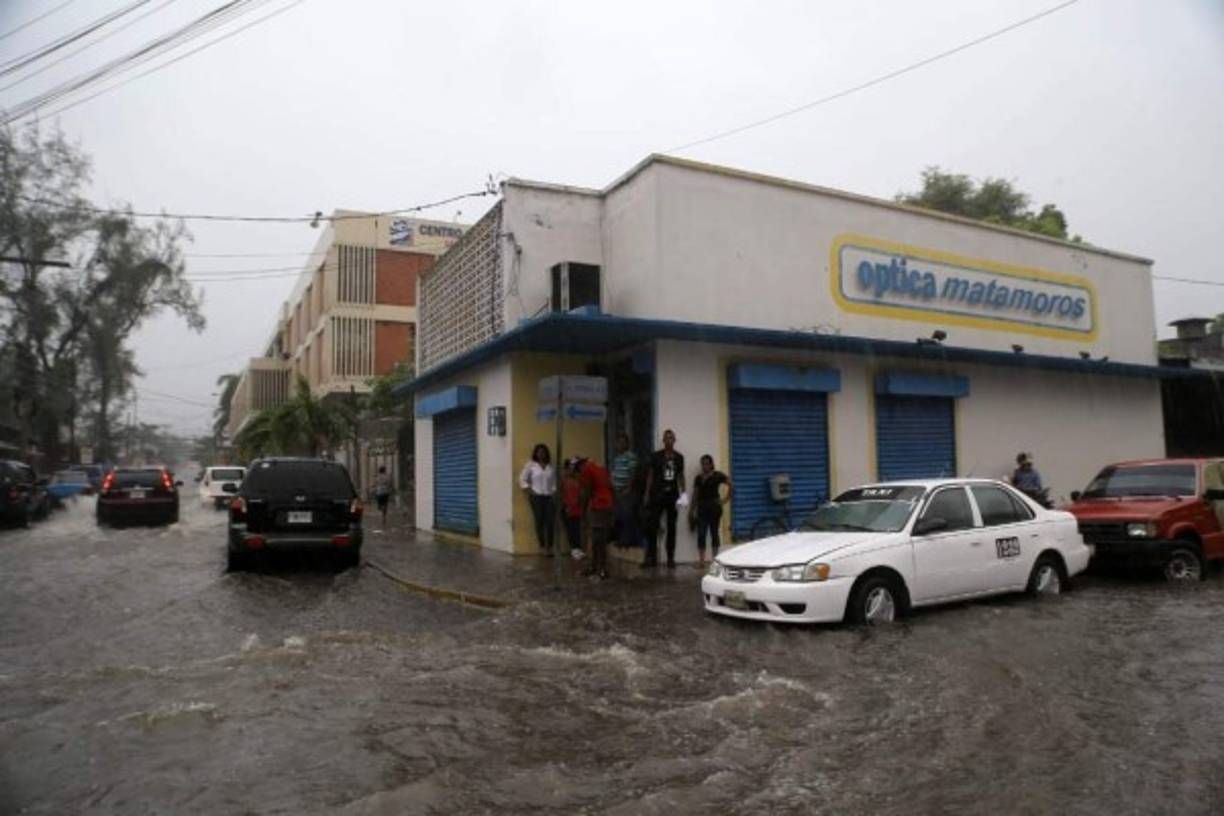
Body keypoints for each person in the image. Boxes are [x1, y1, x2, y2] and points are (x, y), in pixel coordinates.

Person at [644, 429, 685, 569]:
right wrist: (647, 494)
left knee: (671, 527)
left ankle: (670, 558)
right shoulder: (656, 456)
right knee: (652, 526)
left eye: (671, 438)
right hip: (657, 495)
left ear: (674, 440)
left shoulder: (679, 457)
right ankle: (651, 557)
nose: (669, 440)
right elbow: (650, 475)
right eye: (667, 438)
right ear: (663, 440)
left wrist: (683, 494)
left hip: (672, 495)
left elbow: (680, 476)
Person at [575, 456, 615, 580]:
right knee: (599, 538)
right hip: (607, 505)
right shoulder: (601, 469)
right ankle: (595, 566)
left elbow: (586, 491)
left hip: (598, 506)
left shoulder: (586, 470)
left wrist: (582, 512)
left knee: (598, 539)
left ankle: (601, 568)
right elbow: (610, 487)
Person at [691, 454, 732, 566]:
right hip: (702, 507)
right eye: (703, 464)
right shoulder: (698, 478)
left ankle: (715, 560)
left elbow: (731, 485)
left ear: (711, 464)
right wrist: (691, 511)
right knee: (701, 533)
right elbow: (695, 495)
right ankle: (702, 561)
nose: (705, 466)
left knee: (714, 533)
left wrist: (725, 500)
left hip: (714, 507)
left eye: (707, 463)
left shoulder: (717, 475)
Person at [519, 443, 556, 556]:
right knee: (539, 522)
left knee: (550, 522)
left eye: (543, 452)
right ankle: (542, 547)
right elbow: (522, 480)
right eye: (539, 451)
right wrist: (531, 491)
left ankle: (549, 547)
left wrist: (554, 491)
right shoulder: (531, 465)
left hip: (549, 497)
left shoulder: (550, 466)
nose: (541, 454)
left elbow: (555, 482)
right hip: (537, 497)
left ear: (546, 453)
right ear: (535, 453)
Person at [611, 432, 640, 549]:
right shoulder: (617, 457)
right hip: (617, 491)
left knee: (627, 516)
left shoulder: (631, 456)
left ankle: (628, 540)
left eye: (623, 442)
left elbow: (633, 473)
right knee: (620, 516)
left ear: (627, 444)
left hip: (626, 491)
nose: (620, 445)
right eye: (618, 442)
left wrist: (629, 487)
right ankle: (621, 539)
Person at [560, 459, 585, 560]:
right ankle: (574, 549)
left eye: (573, 469)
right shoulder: (564, 481)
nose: (571, 471)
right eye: (569, 468)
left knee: (577, 528)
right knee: (570, 529)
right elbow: (561, 495)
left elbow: (581, 494)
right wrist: (565, 506)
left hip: (577, 507)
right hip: (567, 507)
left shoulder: (579, 480)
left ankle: (578, 548)